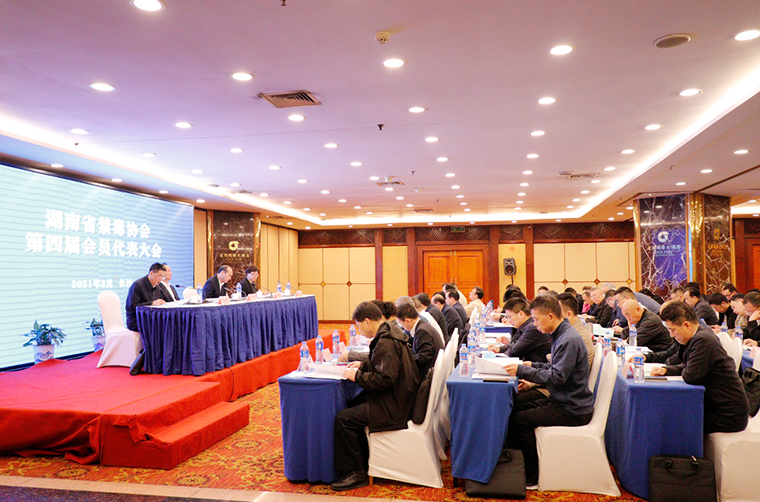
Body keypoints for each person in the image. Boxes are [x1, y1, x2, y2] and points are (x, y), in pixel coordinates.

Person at [503, 295, 594, 488]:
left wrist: (522, 370)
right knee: (513, 406)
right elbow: (555, 368)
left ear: (551, 316)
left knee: (519, 421)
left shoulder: (568, 339)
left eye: (536, 320)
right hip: (562, 399)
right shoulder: (562, 334)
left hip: (572, 408)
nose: (535, 324)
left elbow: (556, 377)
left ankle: (532, 476)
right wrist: (533, 365)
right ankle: (514, 464)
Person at [332, 302, 420, 491]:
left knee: (344, 419)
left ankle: (357, 472)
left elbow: (385, 379)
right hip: (398, 398)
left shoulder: (385, 342)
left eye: (358, 326)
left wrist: (357, 377)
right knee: (352, 403)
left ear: (367, 321)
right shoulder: (390, 332)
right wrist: (363, 365)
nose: (359, 330)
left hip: (393, 407)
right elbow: (384, 366)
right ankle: (362, 461)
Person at [651, 302, 748, 434]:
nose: (671, 335)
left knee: (669, 419)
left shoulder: (703, 340)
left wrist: (684, 368)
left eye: (672, 330)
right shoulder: (697, 336)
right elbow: (690, 366)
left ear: (686, 325)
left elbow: (690, 376)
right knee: (667, 413)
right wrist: (667, 370)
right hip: (716, 407)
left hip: (727, 414)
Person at [488, 297, 551, 363]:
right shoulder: (523, 325)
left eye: (510, 317)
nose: (509, 320)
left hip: (535, 366)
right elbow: (514, 343)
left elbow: (513, 352)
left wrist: (499, 355)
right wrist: (499, 349)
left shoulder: (532, 328)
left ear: (521, 314)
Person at [395, 297, 444, 376]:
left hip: (427, 375)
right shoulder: (423, 326)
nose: (402, 327)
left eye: (401, 323)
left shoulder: (422, 331)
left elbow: (423, 358)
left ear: (407, 321)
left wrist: (403, 360)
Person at [557, 293, 595, 370]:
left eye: (557, 313)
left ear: (568, 314)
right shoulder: (573, 329)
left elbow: (562, 371)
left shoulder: (576, 336)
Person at [125, 262, 166, 331]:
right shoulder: (137, 285)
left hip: (150, 319)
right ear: (151, 273)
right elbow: (131, 307)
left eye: (163, 277)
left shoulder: (157, 288)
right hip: (137, 321)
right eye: (159, 276)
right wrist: (152, 304)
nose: (161, 279)